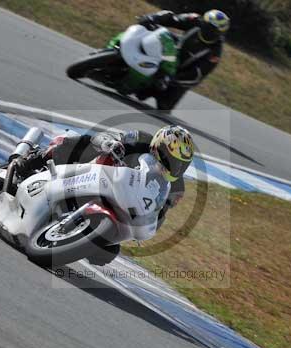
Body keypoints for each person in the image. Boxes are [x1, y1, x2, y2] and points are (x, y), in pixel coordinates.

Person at [15, 125, 195, 264]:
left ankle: (77, 233)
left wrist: (142, 227)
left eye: (180, 164)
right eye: (171, 158)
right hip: (95, 171)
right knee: (87, 143)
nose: (175, 167)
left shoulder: (176, 187)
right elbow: (105, 138)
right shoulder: (141, 139)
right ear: (159, 146)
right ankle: (35, 159)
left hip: (121, 200)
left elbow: (159, 214)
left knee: (107, 253)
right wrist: (110, 144)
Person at [137, 9, 230, 110]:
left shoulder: (215, 52)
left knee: (163, 106)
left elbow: (197, 75)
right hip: (170, 51)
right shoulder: (194, 19)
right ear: (204, 21)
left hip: (178, 75)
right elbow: (173, 18)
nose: (209, 30)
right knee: (155, 32)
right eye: (207, 25)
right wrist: (153, 18)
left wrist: (171, 79)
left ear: (219, 33)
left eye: (213, 29)